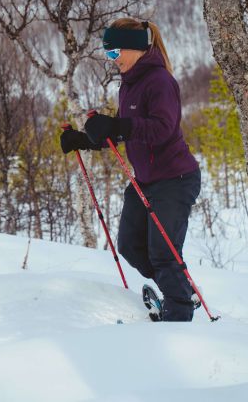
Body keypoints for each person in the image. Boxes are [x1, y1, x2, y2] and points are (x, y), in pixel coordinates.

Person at [59, 18, 201, 322]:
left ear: (134, 48)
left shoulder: (161, 81)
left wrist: (118, 125)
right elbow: (126, 132)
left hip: (175, 180)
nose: (113, 60)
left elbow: (162, 128)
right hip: (146, 181)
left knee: (163, 254)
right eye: (108, 54)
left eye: (114, 53)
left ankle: (179, 320)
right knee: (130, 246)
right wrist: (84, 140)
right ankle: (179, 288)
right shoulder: (129, 85)